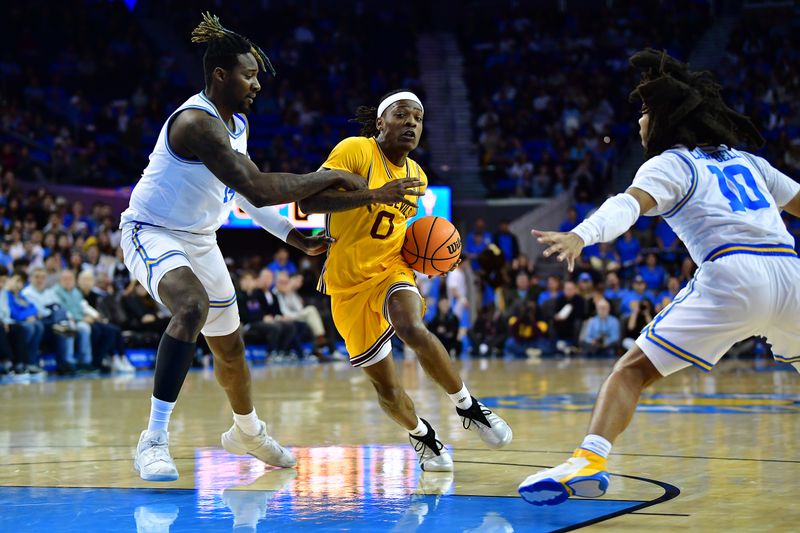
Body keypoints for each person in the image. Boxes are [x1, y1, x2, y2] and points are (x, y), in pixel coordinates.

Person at [521, 49, 800, 505]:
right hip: (792, 274)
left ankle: (588, 461)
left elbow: (626, 206)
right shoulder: (750, 162)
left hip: (734, 272)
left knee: (630, 372)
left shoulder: (671, 162)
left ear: (667, 117)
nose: (639, 122)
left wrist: (580, 235)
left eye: (646, 111)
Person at [118, 13, 366, 482]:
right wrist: (329, 174)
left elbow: (245, 195)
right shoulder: (196, 123)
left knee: (230, 347)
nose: (257, 83)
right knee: (191, 307)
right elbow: (258, 185)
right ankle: (152, 439)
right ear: (220, 74)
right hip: (151, 231)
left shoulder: (237, 125)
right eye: (249, 74)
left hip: (200, 238)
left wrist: (290, 235)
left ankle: (247, 432)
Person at [299, 89, 512, 471]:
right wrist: (375, 194)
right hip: (346, 285)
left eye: (418, 117)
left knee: (411, 325)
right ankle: (421, 435)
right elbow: (309, 202)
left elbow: (406, 232)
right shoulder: (356, 150)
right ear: (381, 122)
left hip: (391, 268)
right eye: (402, 115)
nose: (411, 122)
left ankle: (468, 406)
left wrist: (439, 257)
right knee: (389, 391)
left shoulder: (419, 176)